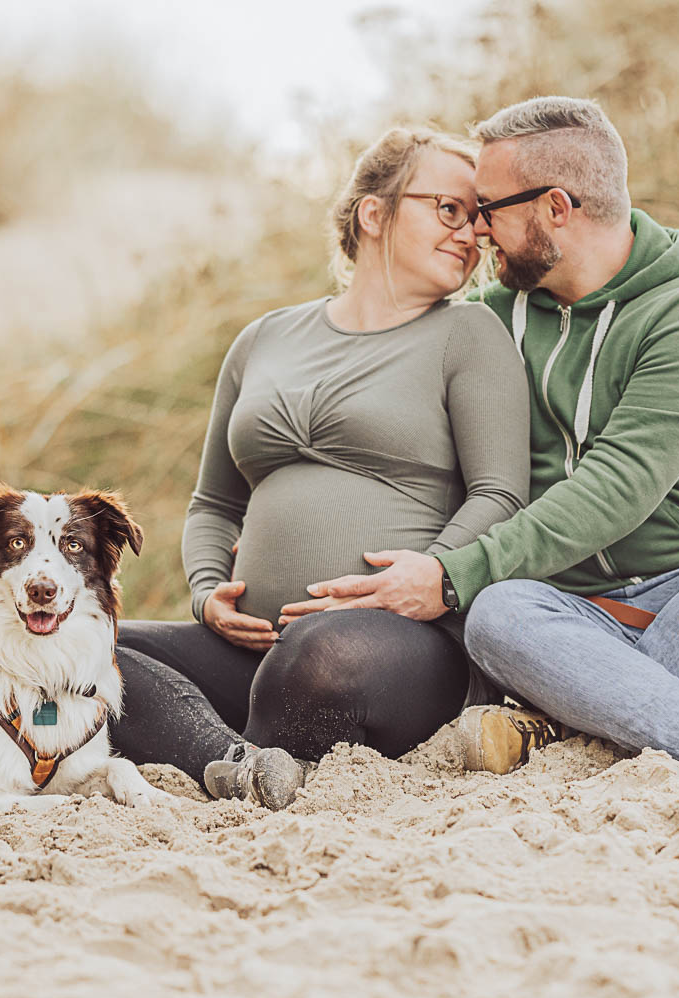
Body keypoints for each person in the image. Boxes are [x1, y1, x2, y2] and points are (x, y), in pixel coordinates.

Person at [282, 97, 679, 789]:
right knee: (498, 612)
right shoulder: (491, 319)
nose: (477, 231)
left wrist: (449, 577)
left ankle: (564, 720)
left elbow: (616, 490)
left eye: (488, 207)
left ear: (556, 208)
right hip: (560, 617)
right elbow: (404, 431)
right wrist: (294, 488)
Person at [108, 128, 530, 809]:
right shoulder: (265, 340)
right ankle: (239, 763)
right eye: (448, 210)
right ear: (375, 213)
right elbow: (213, 503)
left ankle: (211, 751)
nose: (470, 235)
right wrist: (207, 593)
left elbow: (501, 493)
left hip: (399, 644)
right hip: (251, 644)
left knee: (317, 659)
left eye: (477, 221)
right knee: (83, 649)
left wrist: (419, 578)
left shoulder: (470, 335)